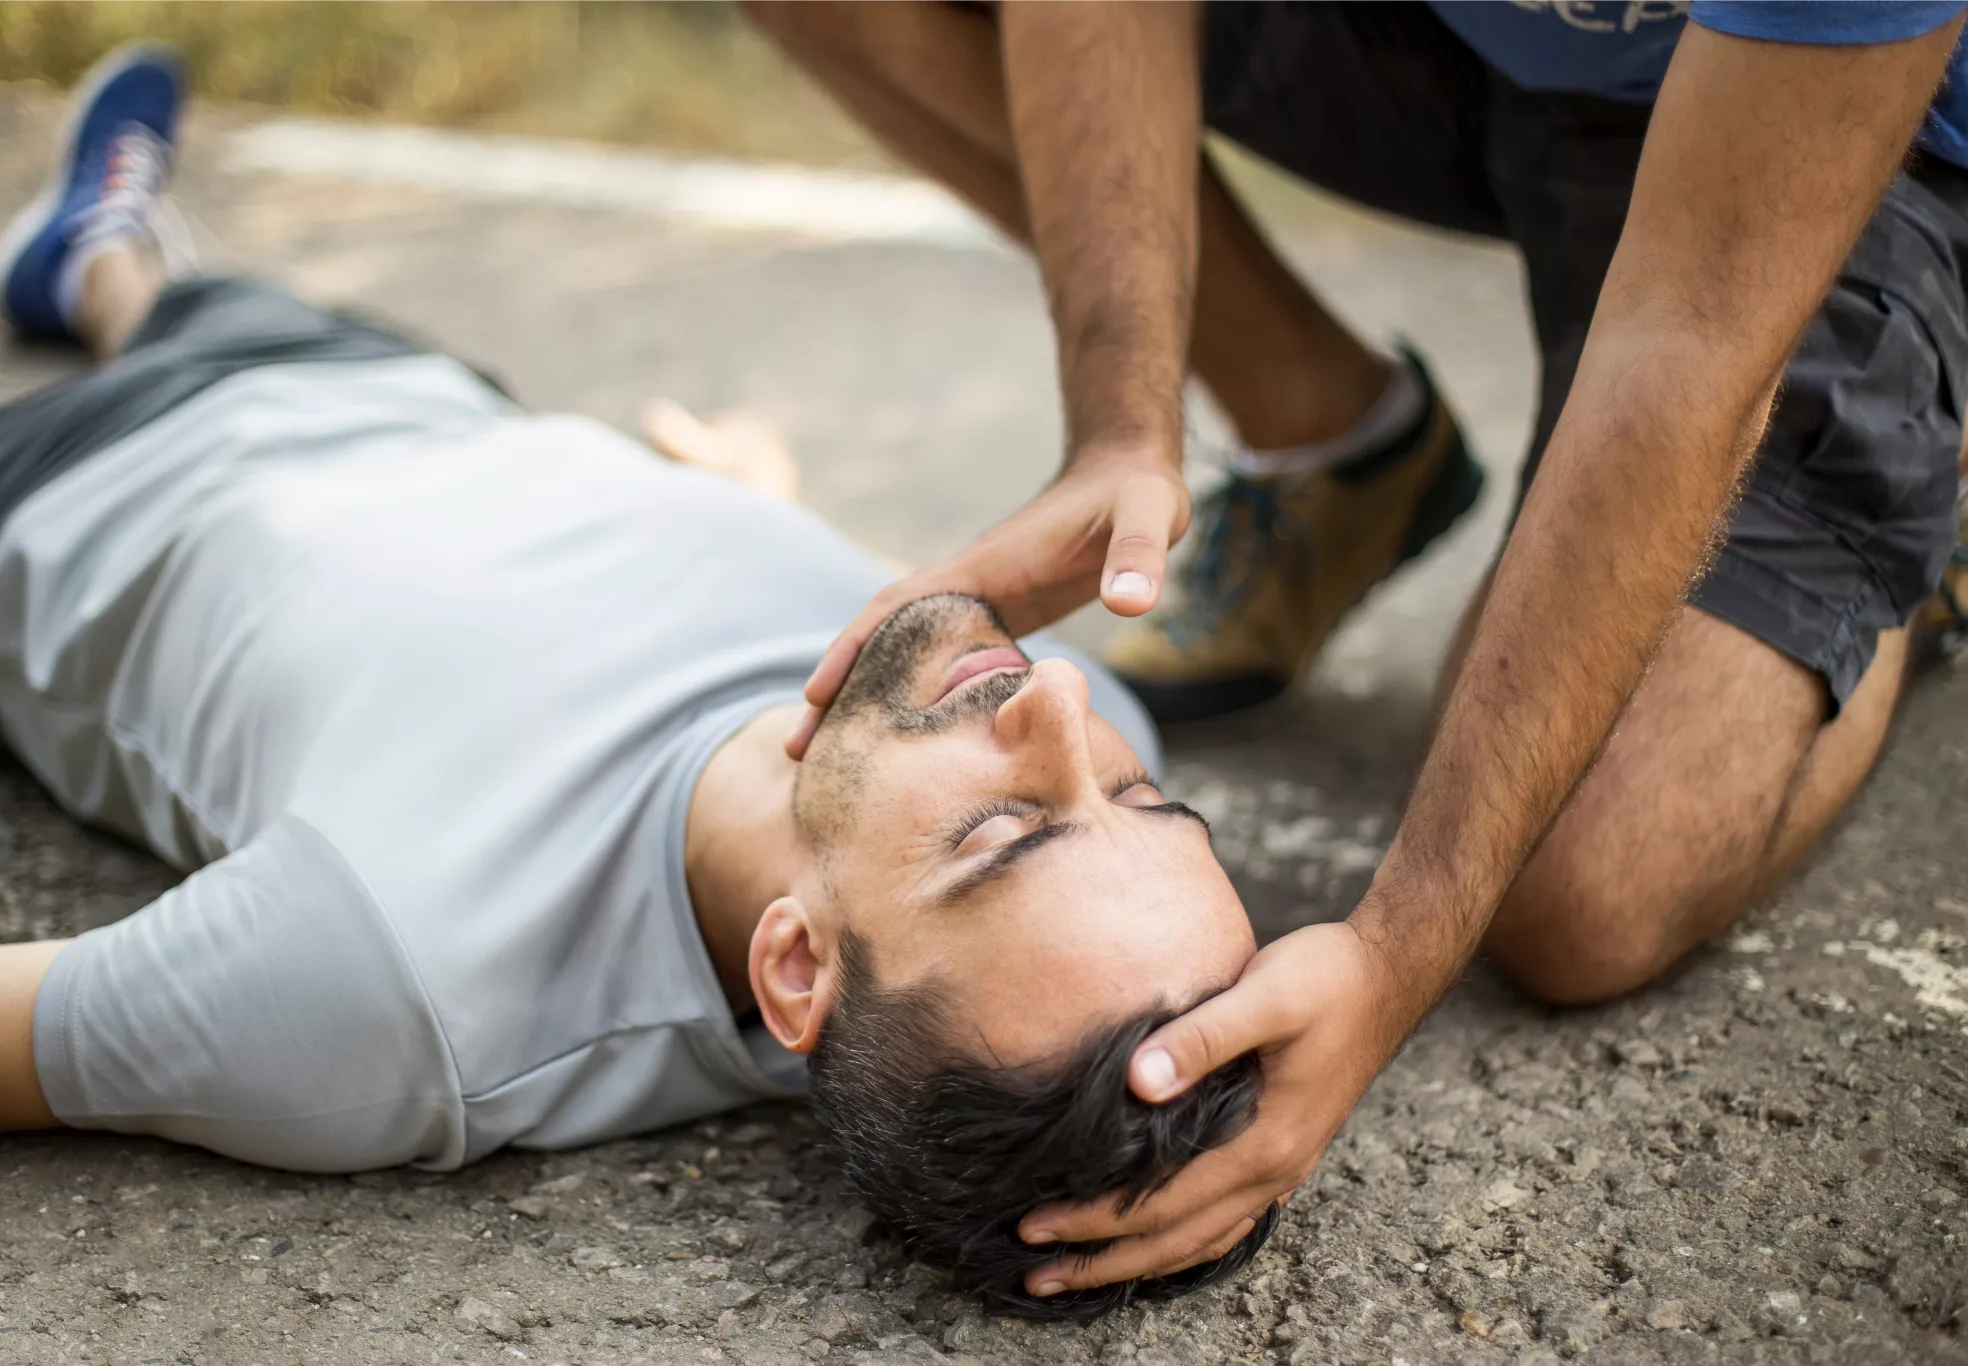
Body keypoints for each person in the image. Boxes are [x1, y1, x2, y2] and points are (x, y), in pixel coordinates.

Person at [0, 47, 1274, 1319]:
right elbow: (992, 672)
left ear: (797, 964)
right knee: (164, 296)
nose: (1060, 710)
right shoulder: (1022, 705)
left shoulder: (395, 986)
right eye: (1145, 801)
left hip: (28, 516)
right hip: (413, 396)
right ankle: (96, 253)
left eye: (1004, 827)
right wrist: (758, 508)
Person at [748, 0, 1968, 1298]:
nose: (1061, 688)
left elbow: (1695, 330)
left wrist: (1408, 934)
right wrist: (1121, 423)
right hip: (1461, 43)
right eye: (1139, 797)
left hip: (1827, 144)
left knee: (1575, 890)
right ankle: (1331, 433)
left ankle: (1919, 498)